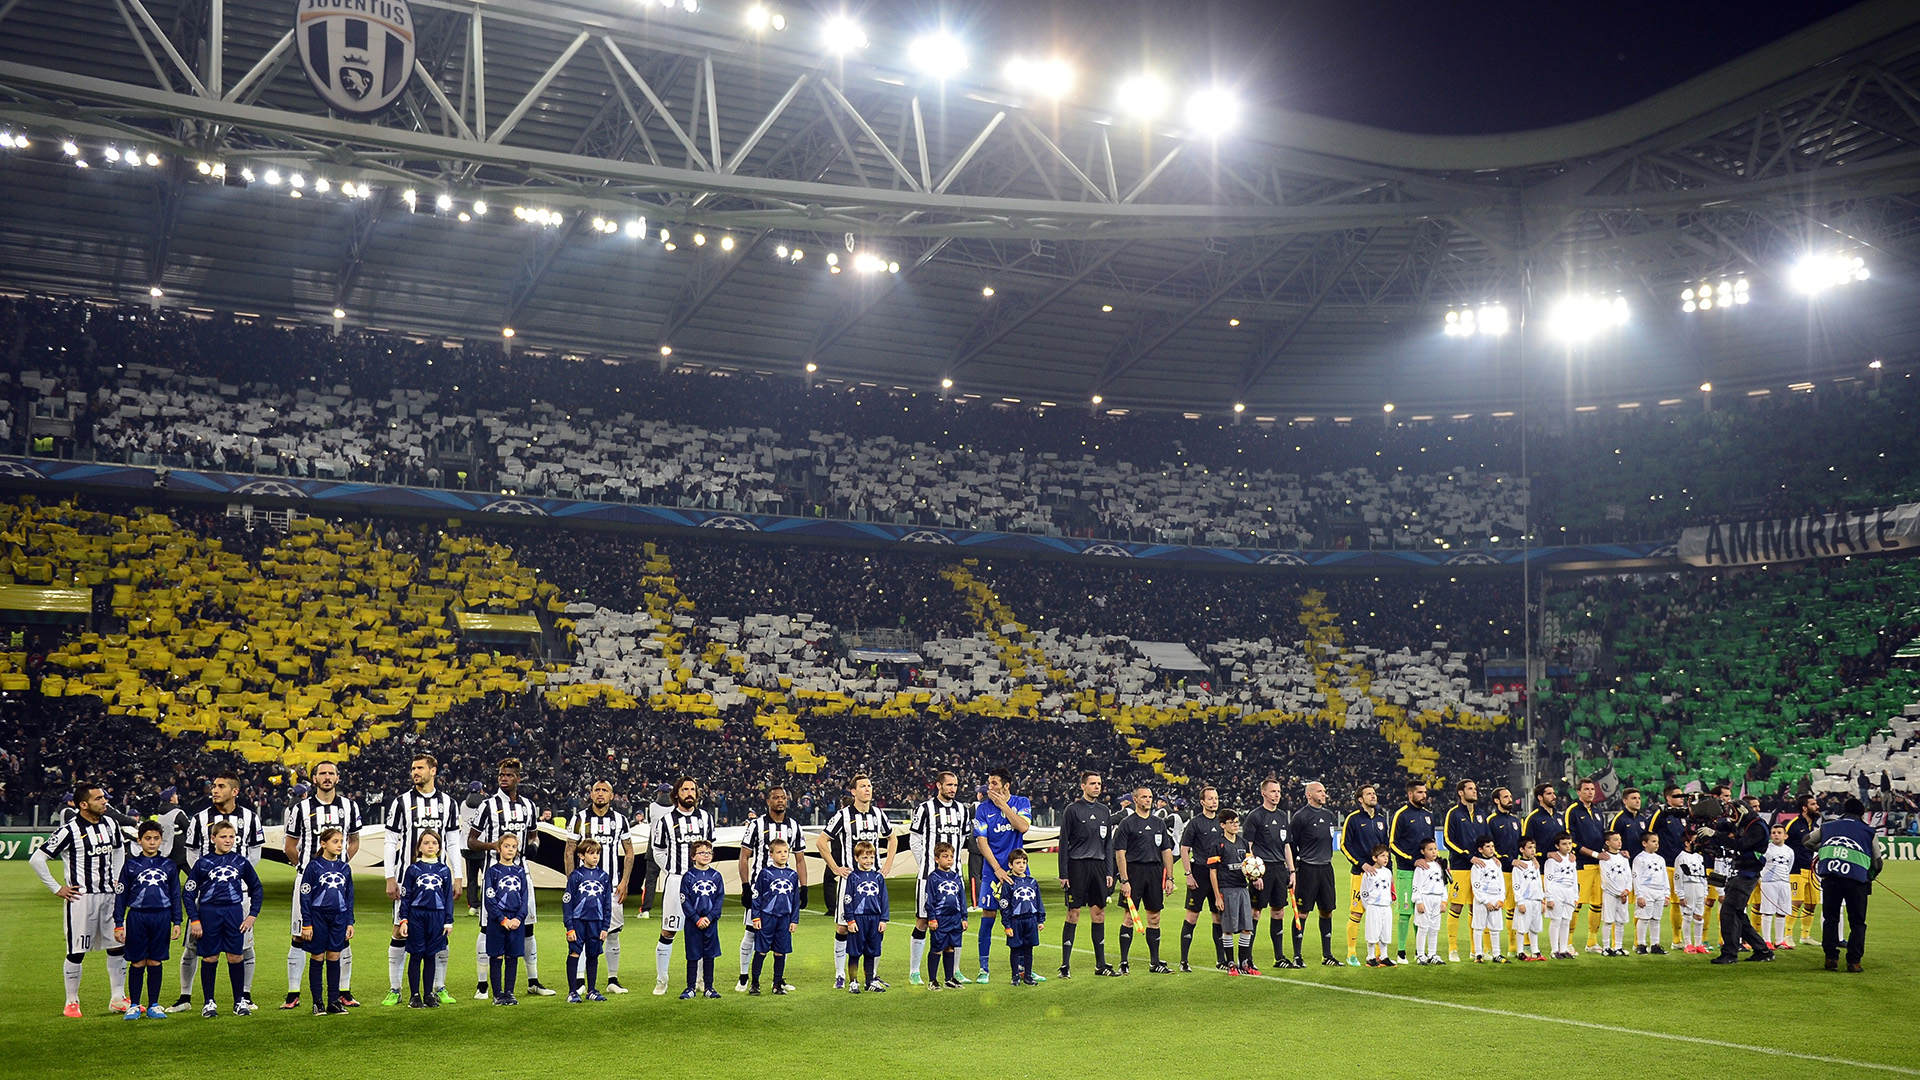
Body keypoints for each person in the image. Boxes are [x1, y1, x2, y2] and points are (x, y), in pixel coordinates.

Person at [30, 781, 131, 1017]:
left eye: (104, 797)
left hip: (109, 897)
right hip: (81, 899)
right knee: (77, 951)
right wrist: (57, 888)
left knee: (118, 947)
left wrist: (116, 879)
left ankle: (118, 998)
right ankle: (71, 1001)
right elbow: (37, 859)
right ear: (83, 804)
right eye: (98, 798)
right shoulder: (69, 830)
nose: (104, 801)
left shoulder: (111, 824)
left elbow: (118, 850)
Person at [383, 754, 463, 1007]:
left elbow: (452, 842)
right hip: (409, 878)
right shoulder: (401, 802)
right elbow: (390, 840)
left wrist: (458, 875)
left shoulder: (448, 803)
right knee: (399, 931)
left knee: (439, 934)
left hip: (437, 879)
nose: (415, 772)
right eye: (413, 768)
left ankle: (438, 988)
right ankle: (396, 989)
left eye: (420, 768)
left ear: (433, 771)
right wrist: (389, 876)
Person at [282, 762, 362, 1010]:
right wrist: (306, 869)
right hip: (308, 879)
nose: (327, 777)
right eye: (322, 773)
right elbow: (290, 845)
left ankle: (342, 992)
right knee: (299, 935)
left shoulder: (349, 806)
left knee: (341, 940)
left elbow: (355, 840)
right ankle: (294, 993)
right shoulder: (301, 808)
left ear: (338, 778)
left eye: (331, 773)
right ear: (314, 778)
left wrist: (340, 865)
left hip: (337, 880)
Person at [182, 772, 265, 1010]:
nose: (214, 790)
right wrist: (208, 877)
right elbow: (191, 855)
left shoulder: (250, 818)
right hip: (206, 897)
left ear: (235, 791)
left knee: (243, 948)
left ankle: (244, 996)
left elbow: (255, 855)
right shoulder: (199, 819)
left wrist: (234, 874)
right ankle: (186, 997)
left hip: (238, 896)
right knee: (195, 948)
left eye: (220, 786)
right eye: (213, 786)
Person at [470, 758, 550, 998]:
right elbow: (471, 841)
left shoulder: (528, 806)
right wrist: (493, 845)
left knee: (527, 927)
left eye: (508, 775)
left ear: (518, 778)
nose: (503, 778)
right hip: (494, 874)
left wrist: (535, 845)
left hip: (522, 873)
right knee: (487, 928)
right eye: (501, 774)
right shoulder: (488, 805)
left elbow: (535, 836)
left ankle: (533, 981)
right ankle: (483, 985)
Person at [819, 773, 895, 989]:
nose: (867, 789)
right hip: (850, 880)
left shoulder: (879, 815)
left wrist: (887, 865)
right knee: (843, 927)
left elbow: (892, 838)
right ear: (853, 792)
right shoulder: (843, 815)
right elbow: (822, 841)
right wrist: (835, 868)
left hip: (873, 880)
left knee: (877, 927)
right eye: (862, 786)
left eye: (869, 785)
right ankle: (840, 974)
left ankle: (873, 975)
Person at [566, 780, 635, 992]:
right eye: (597, 790)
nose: (600, 794)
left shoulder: (621, 820)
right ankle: (579, 981)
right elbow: (569, 851)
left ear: (612, 796)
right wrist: (572, 883)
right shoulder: (579, 819)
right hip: (585, 888)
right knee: (582, 932)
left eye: (605, 790)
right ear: (591, 794)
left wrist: (624, 881)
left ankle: (612, 980)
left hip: (612, 886)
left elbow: (629, 852)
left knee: (612, 932)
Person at [738, 783, 806, 992]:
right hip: (761, 890)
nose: (780, 800)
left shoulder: (794, 826)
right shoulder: (756, 825)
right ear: (768, 801)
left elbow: (801, 860)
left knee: (781, 936)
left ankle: (779, 980)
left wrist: (804, 888)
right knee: (751, 933)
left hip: (783, 891)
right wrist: (745, 886)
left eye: (783, 797)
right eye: (776, 797)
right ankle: (744, 977)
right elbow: (744, 856)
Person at [649, 776, 714, 995]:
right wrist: (670, 868)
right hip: (676, 880)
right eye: (685, 789)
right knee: (668, 930)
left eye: (693, 789)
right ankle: (662, 980)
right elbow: (657, 850)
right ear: (676, 794)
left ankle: (702, 981)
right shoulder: (665, 821)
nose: (689, 793)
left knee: (703, 930)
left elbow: (710, 847)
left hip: (701, 883)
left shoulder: (705, 818)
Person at [114, 820, 184, 1019]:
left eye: (155, 839)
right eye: (147, 839)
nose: (152, 842)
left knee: (154, 961)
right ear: (139, 840)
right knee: (137, 961)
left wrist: (177, 921)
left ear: (161, 840)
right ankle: (134, 1005)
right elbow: (121, 895)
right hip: (137, 916)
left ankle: (154, 1004)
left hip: (161, 917)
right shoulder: (131, 865)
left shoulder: (169, 865)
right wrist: (119, 923)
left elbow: (175, 895)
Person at [970, 767, 1031, 983]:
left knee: (1023, 919)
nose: (990, 787)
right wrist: (997, 868)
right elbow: (981, 841)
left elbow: (1023, 827)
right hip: (992, 872)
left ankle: (1024, 968)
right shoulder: (982, 809)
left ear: (1006, 785)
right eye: (989, 782)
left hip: (1019, 871)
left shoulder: (1021, 802)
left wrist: (1003, 806)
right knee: (988, 918)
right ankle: (983, 969)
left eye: (994, 783)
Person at [908, 770, 969, 986]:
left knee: (955, 923)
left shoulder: (962, 810)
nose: (953, 788)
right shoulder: (925, 808)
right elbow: (914, 840)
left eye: (955, 785)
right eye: (949, 785)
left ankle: (955, 971)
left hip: (955, 877)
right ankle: (915, 971)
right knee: (923, 920)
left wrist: (955, 866)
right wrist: (926, 864)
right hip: (928, 876)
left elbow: (962, 840)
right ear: (938, 786)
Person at [1809, 796, 1880, 972]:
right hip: (1857, 882)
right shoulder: (1869, 831)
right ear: (1862, 813)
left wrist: (1828, 849)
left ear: (1843, 811)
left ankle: (1831, 958)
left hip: (1831, 879)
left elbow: (1807, 841)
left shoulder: (1828, 826)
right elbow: (1877, 863)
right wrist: (1870, 876)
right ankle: (1854, 962)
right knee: (1857, 922)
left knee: (1830, 918)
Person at [1056, 770, 1116, 978]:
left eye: (1099, 783)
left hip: (1098, 867)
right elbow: (1063, 843)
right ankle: (1065, 965)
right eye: (1092, 783)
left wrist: (1109, 870)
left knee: (1099, 913)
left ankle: (1101, 965)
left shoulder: (1104, 811)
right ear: (1083, 786)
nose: (1097, 787)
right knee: (1074, 913)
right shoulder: (1072, 810)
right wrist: (1063, 873)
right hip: (1077, 866)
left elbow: (1108, 843)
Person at [1701, 797, 1773, 965]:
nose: (1731, 816)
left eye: (1732, 812)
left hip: (1747, 874)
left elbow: (1741, 844)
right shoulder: (1746, 823)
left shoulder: (1757, 827)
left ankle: (1730, 953)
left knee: (1728, 911)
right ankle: (1762, 950)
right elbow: (1724, 826)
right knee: (1738, 914)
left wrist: (1715, 835)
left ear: (1742, 811)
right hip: (1741, 872)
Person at [1113, 783, 1175, 974]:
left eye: (1150, 797)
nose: (1148, 800)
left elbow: (1166, 851)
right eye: (1144, 797)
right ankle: (1124, 962)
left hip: (1155, 873)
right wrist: (1124, 880)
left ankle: (1155, 962)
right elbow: (1120, 853)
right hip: (1134, 873)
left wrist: (1170, 878)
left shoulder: (1158, 824)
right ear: (1135, 800)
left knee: (1154, 918)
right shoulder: (1128, 823)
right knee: (1129, 917)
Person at [297, 827, 355, 1016]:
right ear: (323, 844)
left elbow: (349, 897)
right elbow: (305, 895)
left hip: (338, 918)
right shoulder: (313, 867)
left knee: (334, 957)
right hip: (318, 917)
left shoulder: (345, 868)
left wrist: (349, 922)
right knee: (317, 956)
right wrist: (307, 923)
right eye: (335, 841)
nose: (340, 845)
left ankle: (333, 1001)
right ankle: (317, 1002)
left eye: (341, 841)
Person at [1242, 778, 1295, 969]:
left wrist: (1292, 871)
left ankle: (1279, 957)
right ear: (1263, 793)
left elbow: (1287, 846)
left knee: (1279, 912)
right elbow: (1247, 846)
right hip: (1261, 870)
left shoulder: (1282, 816)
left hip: (1279, 869)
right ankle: (1247, 957)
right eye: (1273, 792)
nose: (1277, 795)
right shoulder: (1255, 816)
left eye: (1279, 792)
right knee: (1255, 913)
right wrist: (1254, 875)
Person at [1288, 780, 1342, 968]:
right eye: (1320, 791)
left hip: (1326, 868)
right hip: (1307, 869)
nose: (1324, 794)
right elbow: (1291, 845)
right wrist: (1293, 869)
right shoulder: (1300, 817)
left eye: (1324, 791)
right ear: (1309, 795)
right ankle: (1297, 955)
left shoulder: (1328, 815)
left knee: (1327, 911)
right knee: (1302, 913)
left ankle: (1327, 955)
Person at [398, 830, 453, 1008]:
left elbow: (447, 898)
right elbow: (405, 896)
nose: (431, 846)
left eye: (434, 843)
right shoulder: (413, 869)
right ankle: (414, 995)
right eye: (427, 843)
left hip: (437, 916)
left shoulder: (444, 870)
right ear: (419, 847)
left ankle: (429, 994)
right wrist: (404, 919)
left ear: (439, 846)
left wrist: (448, 920)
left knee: (431, 955)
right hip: (417, 915)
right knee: (416, 954)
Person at [1178, 784, 1227, 972]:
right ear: (1202, 802)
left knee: (1219, 917)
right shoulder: (1196, 823)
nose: (1214, 801)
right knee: (1192, 916)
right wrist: (1188, 874)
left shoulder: (1222, 822)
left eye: (1216, 798)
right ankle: (1184, 961)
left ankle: (1221, 960)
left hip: (1218, 875)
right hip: (1199, 873)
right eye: (1210, 798)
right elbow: (1184, 849)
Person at [1341, 783, 1389, 966]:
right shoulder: (1353, 819)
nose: (1373, 796)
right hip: (1361, 874)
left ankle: (1379, 955)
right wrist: (1362, 864)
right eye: (1369, 794)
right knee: (1356, 913)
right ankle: (1351, 953)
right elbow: (1345, 845)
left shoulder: (1382, 820)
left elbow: (1386, 847)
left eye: (1374, 793)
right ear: (1361, 799)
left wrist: (1388, 870)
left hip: (1380, 876)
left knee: (1380, 913)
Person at [482, 832, 531, 1005]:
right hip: (498, 922)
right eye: (506, 846)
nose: (510, 849)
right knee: (496, 957)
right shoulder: (492, 872)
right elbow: (489, 898)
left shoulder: (520, 872)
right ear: (499, 848)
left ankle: (509, 993)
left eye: (514, 847)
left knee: (512, 956)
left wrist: (519, 918)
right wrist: (502, 919)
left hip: (516, 922)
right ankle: (497, 994)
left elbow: (525, 897)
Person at [1387, 779, 1434, 962]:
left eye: (1425, 792)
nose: (1424, 795)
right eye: (1420, 792)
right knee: (1406, 912)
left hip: (1425, 873)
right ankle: (1400, 952)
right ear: (1410, 794)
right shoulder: (1401, 815)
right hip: (1407, 871)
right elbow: (1392, 843)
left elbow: (1431, 845)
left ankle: (1419, 951)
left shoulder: (1429, 816)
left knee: (1421, 911)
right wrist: (1411, 860)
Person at [748, 837, 801, 995]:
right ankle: (755, 983)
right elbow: (756, 896)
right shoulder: (765, 873)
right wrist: (756, 917)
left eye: (785, 852)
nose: (783, 855)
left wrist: (794, 919)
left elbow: (795, 899)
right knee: (761, 951)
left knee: (780, 951)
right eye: (779, 852)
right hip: (767, 917)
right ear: (771, 855)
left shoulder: (792, 875)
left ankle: (777, 984)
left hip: (784, 919)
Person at [564, 838, 616, 1002]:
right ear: (581, 856)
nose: (595, 857)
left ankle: (592, 990)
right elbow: (567, 901)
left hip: (597, 922)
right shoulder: (576, 876)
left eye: (598, 853)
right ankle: (572, 991)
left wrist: (605, 926)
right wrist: (570, 926)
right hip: (579, 921)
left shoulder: (604, 876)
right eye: (591, 853)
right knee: (574, 952)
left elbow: (607, 903)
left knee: (593, 955)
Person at [1209, 809, 1259, 975]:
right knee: (1228, 928)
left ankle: (1244, 962)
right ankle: (1230, 963)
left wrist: (1256, 877)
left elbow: (1248, 865)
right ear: (1223, 825)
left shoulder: (1243, 843)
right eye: (1232, 823)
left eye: (1237, 822)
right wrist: (1217, 896)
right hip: (1227, 889)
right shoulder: (1218, 844)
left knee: (1247, 927)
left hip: (1242, 889)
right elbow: (1213, 872)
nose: (1236, 825)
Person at [1441, 778, 1486, 963]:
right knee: (1457, 907)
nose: (1474, 791)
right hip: (1461, 867)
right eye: (1470, 789)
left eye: (1475, 788)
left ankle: (1476, 950)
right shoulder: (1453, 814)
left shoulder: (1482, 814)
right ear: (1461, 793)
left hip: (1480, 868)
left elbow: (1486, 840)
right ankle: (1453, 949)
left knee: (1476, 908)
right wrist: (1468, 856)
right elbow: (1447, 840)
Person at [1562, 777, 1607, 952]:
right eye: (1586, 789)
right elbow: (1568, 840)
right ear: (1578, 792)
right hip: (1581, 864)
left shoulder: (1598, 812)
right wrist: (1595, 854)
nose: (1590, 792)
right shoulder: (1572, 811)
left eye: (1592, 789)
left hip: (1599, 865)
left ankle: (1592, 942)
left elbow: (1602, 837)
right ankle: (1568, 942)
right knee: (1577, 904)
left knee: (1597, 904)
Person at [677, 839, 724, 1000]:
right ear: (693, 856)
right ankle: (690, 987)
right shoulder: (688, 876)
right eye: (702, 852)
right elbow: (685, 900)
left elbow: (719, 900)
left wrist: (710, 918)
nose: (706, 855)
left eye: (709, 852)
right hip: (693, 923)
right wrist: (696, 918)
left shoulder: (716, 876)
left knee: (709, 955)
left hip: (710, 923)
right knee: (693, 955)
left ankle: (709, 987)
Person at [842, 840, 890, 994]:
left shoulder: (878, 877)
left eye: (871, 858)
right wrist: (850, 919)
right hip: (858, 919)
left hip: (874, 920)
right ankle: (853, 982)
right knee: (855, 952)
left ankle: (870, 981)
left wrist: (883, 919)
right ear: (857, 858)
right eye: (864, 858)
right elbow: (847, 898)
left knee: (871, 951)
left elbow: (884, 899)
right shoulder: (853, 877)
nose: (868, 861)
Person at [1646, 785, 1690, 949]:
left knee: (1679, 902)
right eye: (1677, 796)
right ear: (1668, 798)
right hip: (1666, 864)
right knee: (1653, 902)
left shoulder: (1683, 816)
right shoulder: (1662, 814)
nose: (1681, 799)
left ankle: (1676, 939)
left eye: (1682, 796)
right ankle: (1642, 941)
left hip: (1682, 865)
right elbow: (1649, 833)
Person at [923, 842, 969, 990]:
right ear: (937, 859)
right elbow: (929, 899)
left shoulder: (956, 877)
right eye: (945, 856)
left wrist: (964, 917)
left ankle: (949, 978)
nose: (949, 859)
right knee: (937, 947)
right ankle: (932, 980)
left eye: (951, 856)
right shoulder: (933, 877)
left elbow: (962, 898)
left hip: (955, 919)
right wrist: (932, 918)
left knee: (950, 947)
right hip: (940, 919)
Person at [1485, 786, 1523, 955]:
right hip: (1497, 871)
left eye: (1510, 796)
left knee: (1512, 908)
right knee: (1493, 908)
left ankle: (1512, 947)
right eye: (1506, 797)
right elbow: (1488, 846)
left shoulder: (1516, 821)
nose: (1510, 799)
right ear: (1496, 801)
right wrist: (1507, 860)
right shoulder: (1491, 821)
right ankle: (1487, 948)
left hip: (1514, 871)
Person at [999, 849, 1045, 985]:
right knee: (1015, 948)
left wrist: (1040, 919)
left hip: (1030, 919)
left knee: (1028, 948)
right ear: (1010, 865)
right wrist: (1007, 925)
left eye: (1024, 862)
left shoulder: (1032, 882)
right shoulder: (1009, 883)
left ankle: (1028, 976)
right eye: (1018, 862)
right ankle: (1015, 976)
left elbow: (1038, 902)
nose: (1021, 865)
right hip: (1015, 920)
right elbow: (1004, 905)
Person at [1785, 794, 1822, 949]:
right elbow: (1781, 843)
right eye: (1813, 804)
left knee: (1812, 903)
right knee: (1796, 902)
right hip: (1795, 869)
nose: (1817, 806)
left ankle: (1805, 936)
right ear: (1804, 808)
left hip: (1811, 870)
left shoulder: (1815, 827)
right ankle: (1786, 935)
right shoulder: (1793, 824)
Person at [1469, 835, 1507, 963]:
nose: (1491, 849)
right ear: (1480, 849)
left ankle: (1497, 953)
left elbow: (1502, 883)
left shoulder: (1497, 864)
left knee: (1496, 927)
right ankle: (1478, 954)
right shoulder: (1477, 866)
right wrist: (1486, 901)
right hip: (1482, 901)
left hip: (1496, 899)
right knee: (1478, 927)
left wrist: (1501, 899)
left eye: (1492, 846)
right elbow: (1476, 885)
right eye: (1487, 847)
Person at [1631, 830, 1669, 955]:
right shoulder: (1639, 859)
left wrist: (1666, 894)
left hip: (1659, 891)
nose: (1656, 844)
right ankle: (1641, 944)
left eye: (1657, 842)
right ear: (1644, 843)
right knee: (1644, 918)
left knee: (1656, 919)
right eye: (1653, 841)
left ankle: (1655, 944)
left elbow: (1665, 877)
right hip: (1646, 890)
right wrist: (1639, 895)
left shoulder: (1660, 859)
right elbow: (1636, 878)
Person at [1409, 838, 1446, 965]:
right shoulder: (1421, 867)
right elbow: (1416, 885)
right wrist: (1418, 901)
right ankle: (1420, 954)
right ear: (1423, 851)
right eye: (1430, 849)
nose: (1434, 852)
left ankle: (1432, 954)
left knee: (1434, 928)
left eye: (1435, 849)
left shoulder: (1439, 865)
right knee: (1423, 927)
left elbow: (1443, 883)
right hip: (1425, 898)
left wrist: (1444, 900)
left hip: (1437, 898)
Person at [1542, 834, 1579, 959]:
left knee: (1566, 921)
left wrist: (1576, 895)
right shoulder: (1552, 861)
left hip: (1569, 891)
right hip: (1557, 890)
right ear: (1557, 846)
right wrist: (1549, 897)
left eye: (1569, 843)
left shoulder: (1572, 860)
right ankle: (1554, 950)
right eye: (1564, 844)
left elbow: (1574, 878)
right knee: (1556, 921)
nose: (1568, 846)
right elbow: (1548, 880)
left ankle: (1563, 949)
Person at [1760, 822, 1795, 949]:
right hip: (1769, 882)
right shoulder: (1766, 849)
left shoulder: (1789, 851)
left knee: (1782, 911)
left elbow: (1789, 866)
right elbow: (1761, 864)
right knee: (1768, 911)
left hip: (1784, 883)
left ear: (1785, 836)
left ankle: (1779, 941)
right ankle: (1766, 940)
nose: (1776, 835)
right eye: (1774, 833)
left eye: (1779, 833)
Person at [1674, 831, 1710, 953]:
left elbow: (1703, 875)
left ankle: (1698, 943)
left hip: (1699, 887)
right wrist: (1680, 894)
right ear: (1687, 843)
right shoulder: (1681, 857)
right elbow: (1677, 877)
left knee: (1699, 916)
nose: (1697, 843)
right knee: (1687, 915)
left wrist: (1705, 892)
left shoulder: (1699, 857)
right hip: (1688, 886)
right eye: (1695, 840)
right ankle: (1688, 943)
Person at [1598, 830, 1632, 956]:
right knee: (1608, 920)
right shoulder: (1605, 858)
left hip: (1623, 894)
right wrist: (1619, 893)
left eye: (1620, 839)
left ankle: (1618, 947)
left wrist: (1627, 890)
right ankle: (1606, 947)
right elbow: (1607, 879)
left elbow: (1629, 875)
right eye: (1616, 840)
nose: (1619, 842)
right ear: (1608, 842)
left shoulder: (1623, 858)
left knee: (1620, 921)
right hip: (1610, 894)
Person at [1510, 837, 1545, 960]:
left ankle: (1535, 950)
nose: (1533, 850)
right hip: (1525, 900)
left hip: (1536, 900)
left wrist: (1542, 900)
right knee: (1522, 927)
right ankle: (1520, 951)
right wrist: (1519, 901)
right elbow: (1516, 885)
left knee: (1535, 927)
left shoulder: (1535, 864)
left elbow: (1539, 883)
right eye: (1529, 848)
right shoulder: (1518, 867)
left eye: (1534, 847)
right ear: (1521, 849)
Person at [1359, 845, 1394, 967]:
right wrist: (1368, 906)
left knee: (1385, 932)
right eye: (1382, 856)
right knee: (1372, 931)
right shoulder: (1368, 874)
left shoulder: (1388, 872)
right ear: (1374, 858)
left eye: (1387, 856)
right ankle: (1371, 956)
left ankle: (1384, 956)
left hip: (1386, 906)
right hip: (1374, 906)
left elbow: (1390, 888)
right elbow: (1364, 892)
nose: (1386, 859)